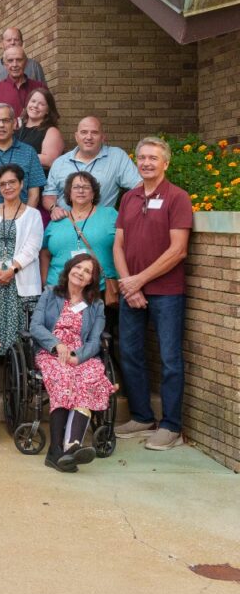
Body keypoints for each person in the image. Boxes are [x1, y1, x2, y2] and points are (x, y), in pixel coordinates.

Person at [113, 137, 192, 450]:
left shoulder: (177, 197)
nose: (146, 163)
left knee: (170, 358)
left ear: (166, 163)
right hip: (132, 291)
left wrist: (138, 281)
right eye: (142, 158)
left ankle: (171, 426)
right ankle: (142, 416)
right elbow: (118, 245)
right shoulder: (129, 198)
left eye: (153, 158)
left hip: (166, 292)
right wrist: (127, 283)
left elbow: (178, 250)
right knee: (130, 354)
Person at [29, 254, 116, 472]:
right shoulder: (50, 293)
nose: (81, 273)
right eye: (78, 267)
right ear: (69, 270)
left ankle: (69, 449)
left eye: (87, 271)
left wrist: (78, 357)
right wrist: (56, 344)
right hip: (52, 353)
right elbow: (36, 326)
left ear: (91, 280)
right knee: (64, 376)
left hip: (81, 355)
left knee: (89, 376)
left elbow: (95, 339)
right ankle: (56, 449)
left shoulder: (95, 305)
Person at [0, 164, 44, 354]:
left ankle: (17, 380)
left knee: (20, 340)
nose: (7, 187)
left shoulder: (33, 215)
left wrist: (10, 270)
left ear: (21, 184)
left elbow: (32, 248)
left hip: (21, 283)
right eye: (2, 184)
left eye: (12, 182)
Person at [43, 116, 140, 217]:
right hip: (65, 222)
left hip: (101, 226)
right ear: (76, 136)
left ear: (103, 137)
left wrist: (129, 212)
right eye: (84, 132)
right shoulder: (60, 162)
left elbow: (139, 185)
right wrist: (53, 208)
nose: (89, 137)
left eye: (94, 132)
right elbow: (49, 195)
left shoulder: (116, 157)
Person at [39, 172, 118, 292]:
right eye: (76, 187)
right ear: (69, 194)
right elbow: (44, 252)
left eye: (86, 187)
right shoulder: (56, 220)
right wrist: (45, 282)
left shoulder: (110, 215)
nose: (81, 191)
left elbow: (125, 246)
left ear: (93, 193)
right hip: (58, 290)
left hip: (99, 290)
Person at [0, 27, 47, 94]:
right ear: (2, 44)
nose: (12, 42)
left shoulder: (34, 66)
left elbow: (44, 95)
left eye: (16, 39)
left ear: (22, 43)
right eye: (9, 40)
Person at [0, 45, 44, 117]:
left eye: (19, 60)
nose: (15, 64)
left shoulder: (39, 87)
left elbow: (51, 117)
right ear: (5, 64)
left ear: (26, 62)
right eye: (10, 61)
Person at [14, 87, 63, 170]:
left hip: (36, 179)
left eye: (41, 104)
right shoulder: (19, 127)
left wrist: (15, 156)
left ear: (48, 110)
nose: (35, 106)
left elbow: (49, 160)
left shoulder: (51, 131)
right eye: (33, 101)